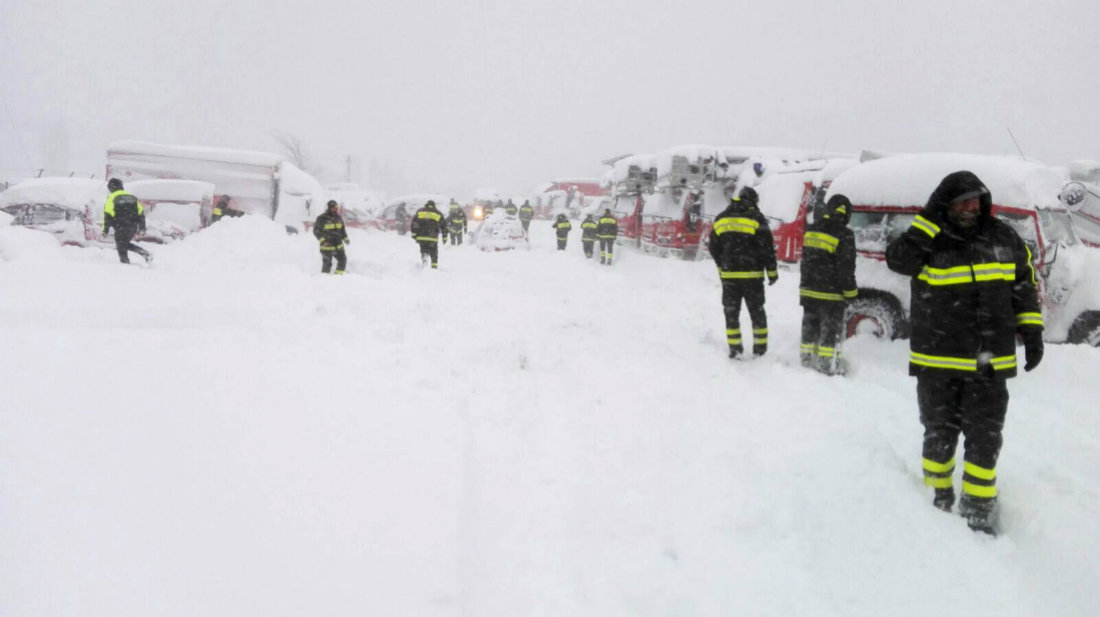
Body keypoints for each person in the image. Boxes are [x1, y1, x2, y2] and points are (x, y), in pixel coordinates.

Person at [886, 170, 1043, 535]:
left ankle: (978, 507)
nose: (971, 207)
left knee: (985, 437)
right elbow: (899, 261)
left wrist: (1032, 330)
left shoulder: (1003, 236)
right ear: (946, 204)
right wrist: (928, 221)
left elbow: (1024, 283)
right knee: (939, 435)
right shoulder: (927, 238)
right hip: (937, 362)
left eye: (976, 199)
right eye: (963, 201)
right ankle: (935, 501)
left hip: (991, 361)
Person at [707, 187, 778, 358]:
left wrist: (722, 266)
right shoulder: (757, 218)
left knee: (731, 313)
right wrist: (772, 272)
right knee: (757, 313)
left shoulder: (722, 218)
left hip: (729, 277)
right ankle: (760, 350)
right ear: (754, 201)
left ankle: (735, 349)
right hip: (752, 277)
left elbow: (713, 247)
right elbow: (766, 248)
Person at [799, 194, 858, 375]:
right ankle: (827, 367)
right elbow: (845, 269)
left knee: (810, 329)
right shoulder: (845, 234)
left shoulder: (812, 229)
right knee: (830, 333)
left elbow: (806, 262)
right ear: (846, 214)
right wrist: (851, 293)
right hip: (831, 296)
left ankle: (806, 362)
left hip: (809, 292)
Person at [102, 178, 152, 264]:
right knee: (124, 244)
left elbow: (107, 215)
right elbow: (141, 213)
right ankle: (145, 254)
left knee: (121, 246)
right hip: (132, 226)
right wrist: (142, 227)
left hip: (120, 226)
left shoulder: (112, 197)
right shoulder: (131, 197)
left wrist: (105, 230)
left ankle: (126, 264)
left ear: (111, 188)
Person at [312, 199, 349, 274]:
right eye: (333, 208)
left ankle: (338, 277)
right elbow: (316, 231)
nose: (335, 210)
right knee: (327, 264)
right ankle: (324, 280)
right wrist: (323, 241)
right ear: (328, 208)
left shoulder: (338, 217)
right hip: (327, 247)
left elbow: (342, 229)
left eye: (336, 208)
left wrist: (345, 238)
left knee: (343, 260)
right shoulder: (321, 218)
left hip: (338, 246)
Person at [411, 199, 444, 268]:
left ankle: (424, 257)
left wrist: (414, 235)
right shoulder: (438, 213)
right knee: (434, 252)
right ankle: (434, 266)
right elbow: (444, 225)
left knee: (423, 248)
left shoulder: (420, 211)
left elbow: (414, 223)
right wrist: (445, 236)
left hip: (421, 236)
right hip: (433, 237)